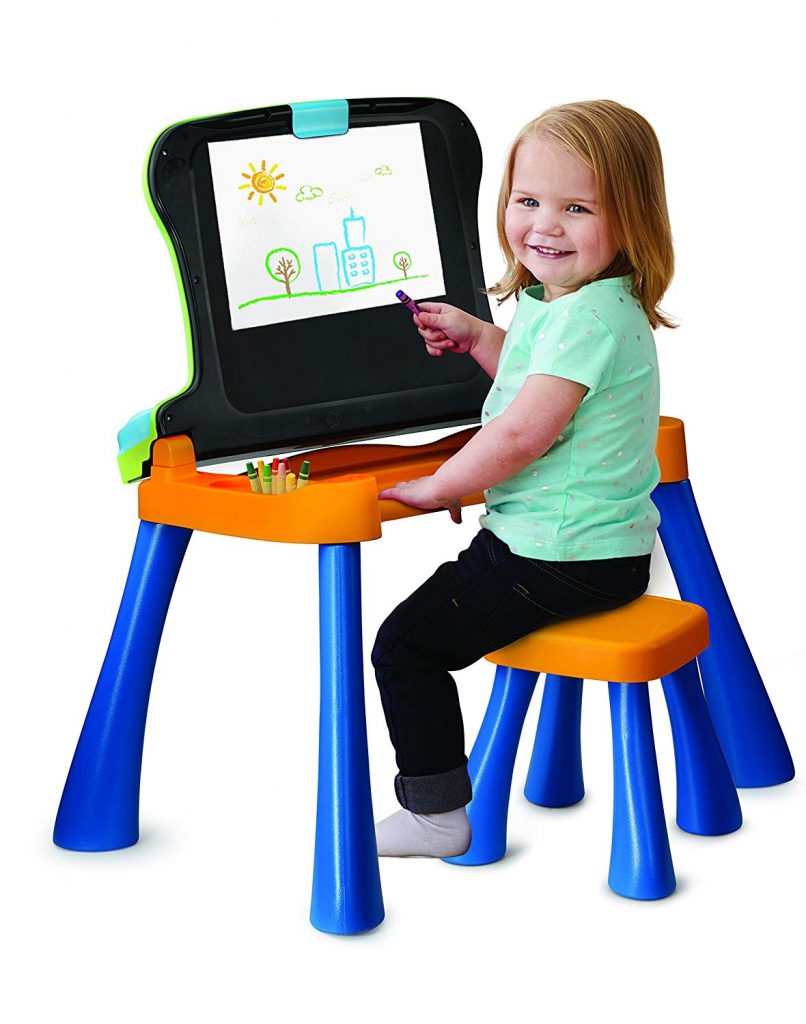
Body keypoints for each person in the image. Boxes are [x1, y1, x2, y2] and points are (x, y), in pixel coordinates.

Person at [372, 99, 675, 857]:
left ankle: (436, 814)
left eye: (577, 208)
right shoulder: (579, 305)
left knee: (405, 646)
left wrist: (444, 485)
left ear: (632, 219)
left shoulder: (585, 320)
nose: (545, 225)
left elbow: (520, 433)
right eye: (528, 200)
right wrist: (479, 335)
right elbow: (538, 380)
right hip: (595, 552)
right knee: (425, 627)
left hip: (554, 556)